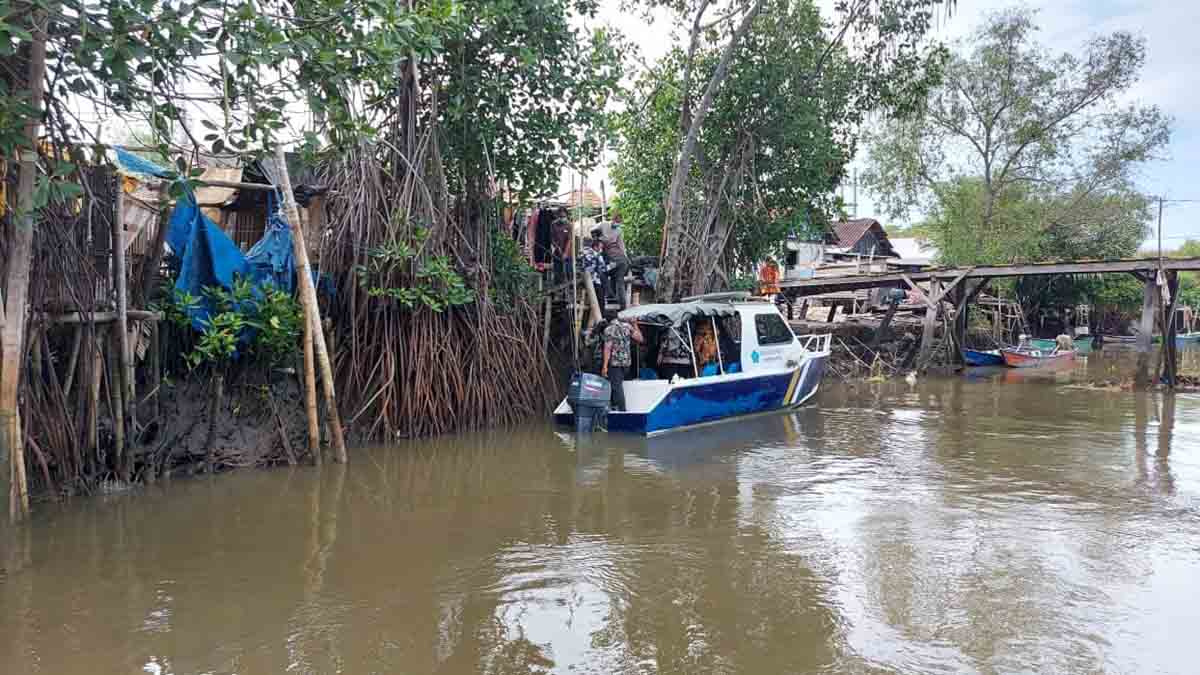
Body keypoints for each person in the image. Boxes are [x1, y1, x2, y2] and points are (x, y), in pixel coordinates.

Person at [602, 312, 643, 412]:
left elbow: (607, 348)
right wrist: (635, 324)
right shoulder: (627, 327)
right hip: (627, 364)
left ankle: (622, 411)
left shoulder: (609, 330)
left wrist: (605, 366)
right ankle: (614, 407)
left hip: (615, 364)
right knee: (617, 386)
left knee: (617, 387)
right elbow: (640, 338)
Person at [598, 217, 629, 309]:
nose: (618, 225)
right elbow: (621, 246)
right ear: (613, 220)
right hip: (621, 261)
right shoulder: (603, 225)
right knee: (619, 281)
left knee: (602, 273)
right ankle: (622, 306)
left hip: (617, 262)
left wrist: (626, 257)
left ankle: (610, 294)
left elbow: (621, 245)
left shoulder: (618, 231)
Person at [580, 231, 607, 309]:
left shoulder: (580, 253)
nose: (601, 249)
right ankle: (601, 316)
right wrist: (612, 266)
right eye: (600, 248)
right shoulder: (596, 254)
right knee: (601, 301)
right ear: (593, 245)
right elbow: (604, 268)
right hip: (594, 281)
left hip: (582, 280)